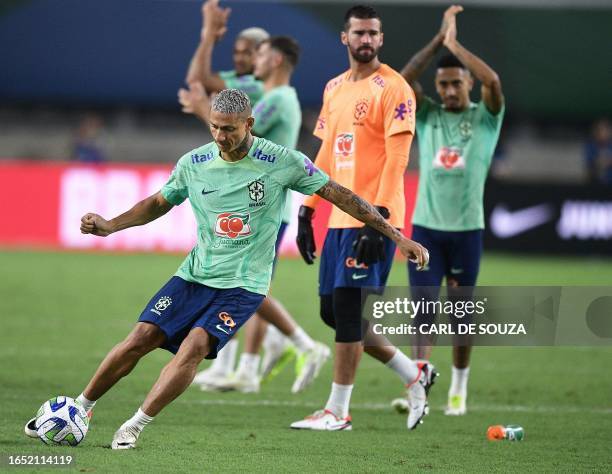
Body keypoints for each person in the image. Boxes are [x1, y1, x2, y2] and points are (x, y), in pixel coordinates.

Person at [23, 89, 429, 449]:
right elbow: (158, 203)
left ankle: (135, 424)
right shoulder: (194, 162)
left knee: (195, 347)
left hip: (244, 285)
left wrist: (397, 236)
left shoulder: (281, 161)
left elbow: (341, 196)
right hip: (195, 274)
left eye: (230, 129)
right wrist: (111, 225)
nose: (221, 136)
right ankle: (81, 407)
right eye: (215, 127)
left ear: (249, 124)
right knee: (140, 338)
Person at [291, 5, 436, 432]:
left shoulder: (394, 88)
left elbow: (397, 159)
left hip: (374, 216)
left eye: (373, 33)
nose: (366, 40)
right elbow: (324, 153)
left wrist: (384, 221)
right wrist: (307, 208)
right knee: (332, 314)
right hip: (339, 217)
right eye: (359, 33)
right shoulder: (334, 87)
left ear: (381, 38)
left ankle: (337, 411)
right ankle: (415, 373)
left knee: (349, 312)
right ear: (345, 38)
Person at [181, 34, 331, 395]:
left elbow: (244, 139)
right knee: (238, 284)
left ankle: (303, 345)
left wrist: (204, 108)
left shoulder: (279, 99)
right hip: (255, 205)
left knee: (247, 287)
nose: (254, 59)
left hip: (265, 209)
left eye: (261, 53)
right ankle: (242, 364)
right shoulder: (272, 95)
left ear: (276, 60)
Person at [395, 5, 504, 416]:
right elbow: (403, 80)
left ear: (469, 83)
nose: (449, 92)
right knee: (423, 312)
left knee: (460, 319)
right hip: (425, 229)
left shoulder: (486, 118)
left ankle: (459, 387)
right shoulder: (428, 115)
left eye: (456, 84)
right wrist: (438, 42)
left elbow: (493, 80)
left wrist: (456, 44)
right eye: (443, 85)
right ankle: (420, 385)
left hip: (466, 231)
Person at [584, 118, 612, 185]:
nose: (602, 133)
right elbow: (590, 164)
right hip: (596, 184)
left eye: (605, 130)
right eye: (599, 130)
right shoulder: (590, 146)